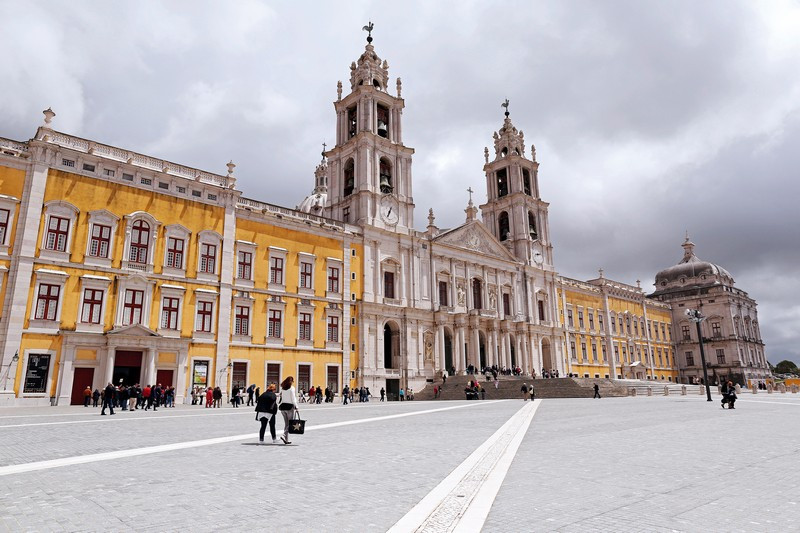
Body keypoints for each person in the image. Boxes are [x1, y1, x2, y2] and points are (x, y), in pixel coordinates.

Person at [278, 376, 299, 445]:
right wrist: (296, 406)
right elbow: (293, 399)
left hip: (283, 407)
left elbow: (282, 398)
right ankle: (284, 435)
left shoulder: (283, 388)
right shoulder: (292, 388)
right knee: (290, 423)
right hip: (289, 407)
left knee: (286, 424)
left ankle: (286, 440)